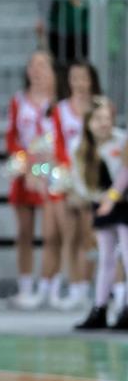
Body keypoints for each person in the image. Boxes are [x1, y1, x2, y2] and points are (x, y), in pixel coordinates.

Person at [6, 51, 62, 310]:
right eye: (33, 66)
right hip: (27, 168)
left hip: (52, 170)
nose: (37, 71)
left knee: (53, 232)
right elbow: (11, 137)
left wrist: (51, 160)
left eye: (43, 66)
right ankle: (25, 286)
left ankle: (52, 285)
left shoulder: (59, 103)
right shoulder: (19, 101)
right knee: (24, 232)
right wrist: (24, 160)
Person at [73, 99, 128, 330]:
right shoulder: (81, 149)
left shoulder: (122, 140)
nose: (104, 124)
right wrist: (100, 199)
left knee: (127, 255)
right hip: (102, 203)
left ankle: (126, 307)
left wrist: (113, 196)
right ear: (88, 124)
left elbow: (126, 171)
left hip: (124, 204)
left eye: (107, 118)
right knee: (105, 256)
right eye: (98, 119)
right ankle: (100, 308)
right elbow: (81, 183)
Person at [54, 61, 103, 310]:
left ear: (91, 80)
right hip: (67, 177)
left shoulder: (99, 108)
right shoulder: (60, 109)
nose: (80, 84)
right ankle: (73, 287)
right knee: (69, 236)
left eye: (84, 78)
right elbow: (58, 142)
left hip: (91, 179)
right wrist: (67, 170)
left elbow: (102, 141)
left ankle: (87, 286)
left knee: (90, 236)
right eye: (75, 78)